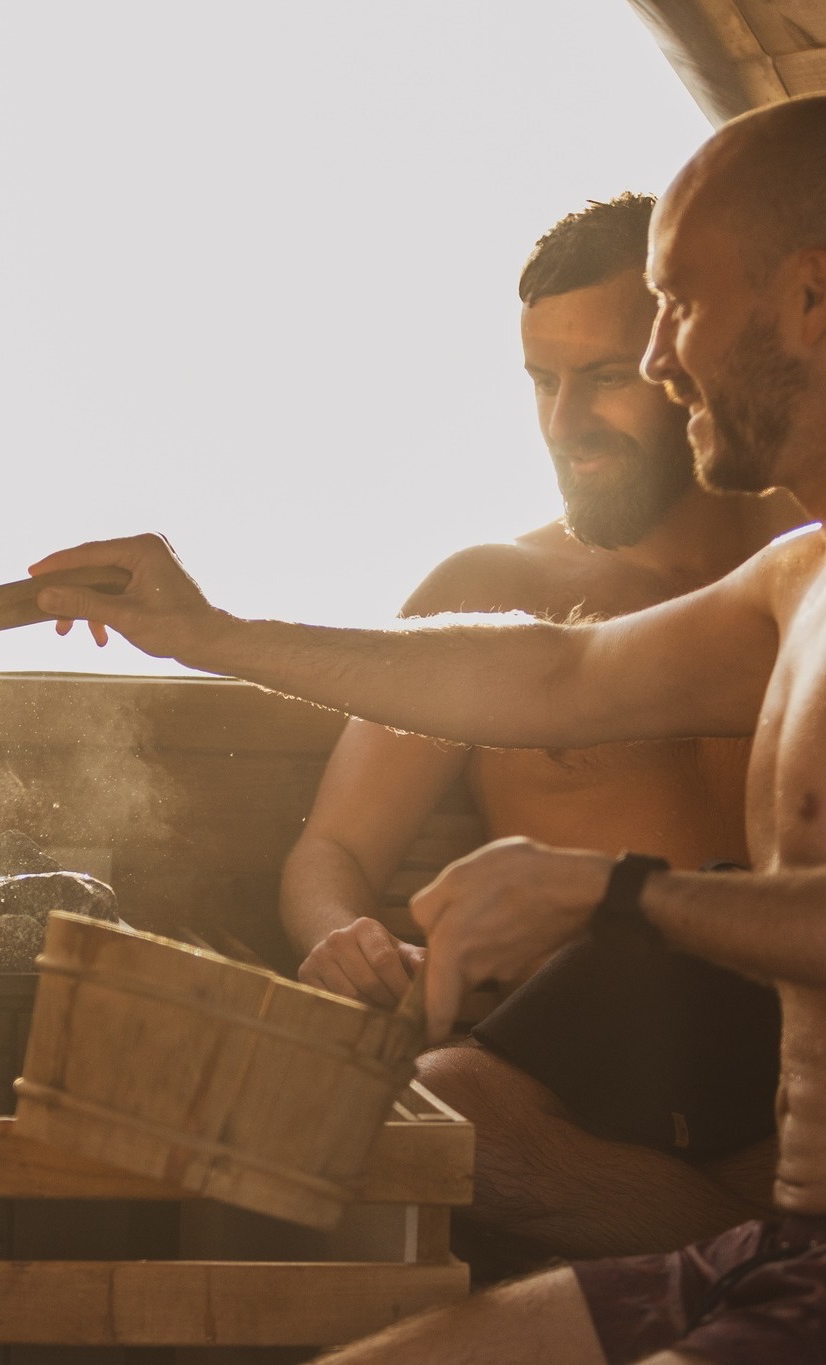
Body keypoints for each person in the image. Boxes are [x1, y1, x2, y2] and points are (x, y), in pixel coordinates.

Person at [30, 92, 826, 1360]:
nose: (667, 364)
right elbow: (555, 677)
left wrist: (614, 896)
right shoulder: (794, 591)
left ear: (807, 296)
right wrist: (209, 632)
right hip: (770, 1239)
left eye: (672, 313)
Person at [276, 194, 805, 1269]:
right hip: (581, 1069)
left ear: (685, 357)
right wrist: (342, 935)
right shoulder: (494, 588)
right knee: (435, 1111)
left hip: (795, 1032)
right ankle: (770, 1266)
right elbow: (330, 852)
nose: (566, 420)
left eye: (604, 377)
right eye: (541, 383)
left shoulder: (806, 573)